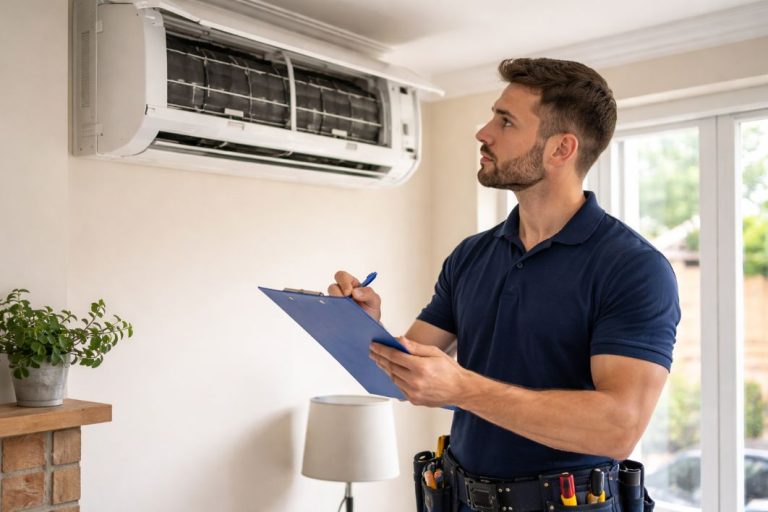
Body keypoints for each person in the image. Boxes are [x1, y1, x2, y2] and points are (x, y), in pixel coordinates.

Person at [329, 57, 680, 512]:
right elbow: (401, 378)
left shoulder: (632, 268)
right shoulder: (472, 254)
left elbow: (618, 429)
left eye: (505, 120)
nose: (483, 132)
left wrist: (462, 388)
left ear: (560, 150)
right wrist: (363, 325)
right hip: (458, 498)